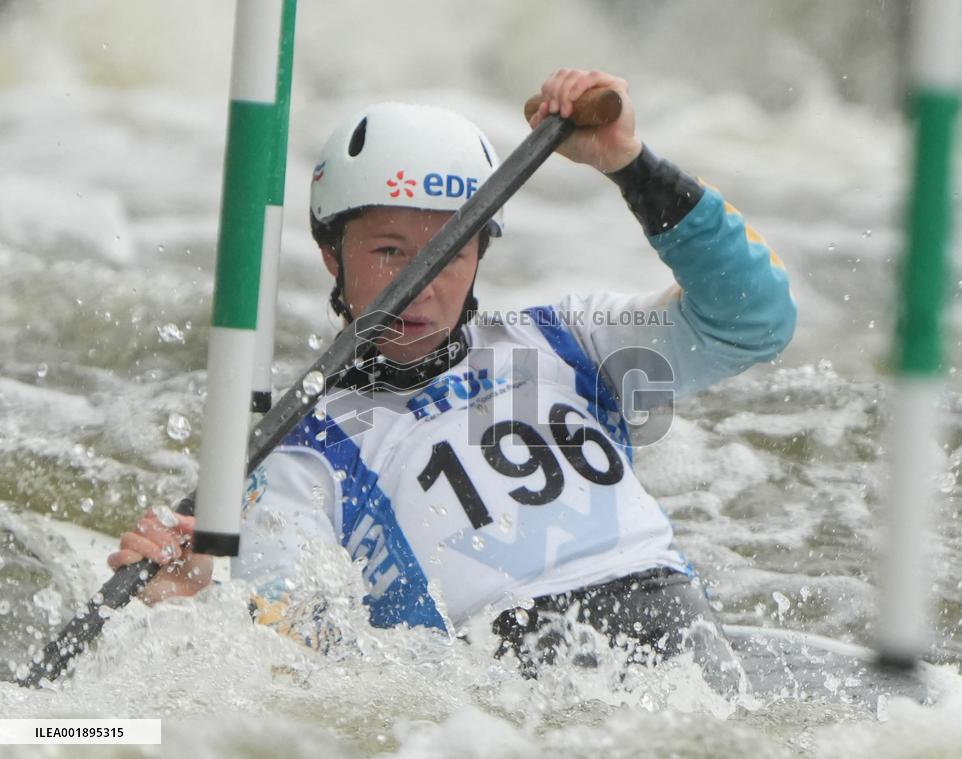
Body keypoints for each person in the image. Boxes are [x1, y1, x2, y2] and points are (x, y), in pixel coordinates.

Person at [109, 69, 795, 681]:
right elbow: (304, 663)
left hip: (681, 639)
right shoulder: (299, 458)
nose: (418, 283)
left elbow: (754, 320)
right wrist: (191, 597)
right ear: (329, 256)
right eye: (387, 250)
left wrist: (630, 164)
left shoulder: (573, 340)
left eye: (449, 251)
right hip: (511, 679)